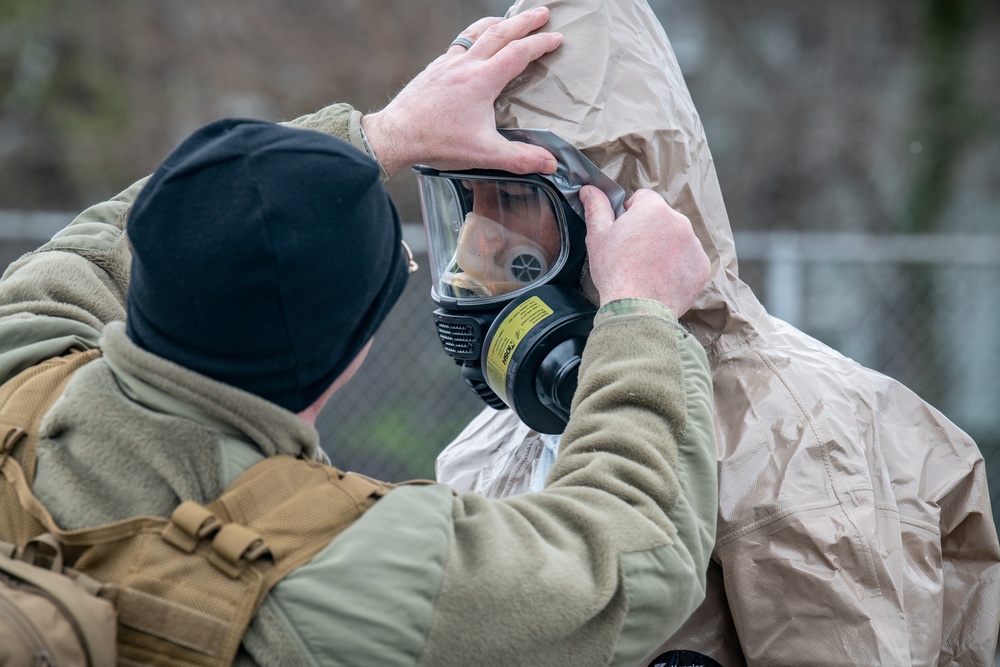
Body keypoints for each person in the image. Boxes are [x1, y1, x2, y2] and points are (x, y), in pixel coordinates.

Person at [0, 8, 719, 666]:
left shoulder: (24, 376)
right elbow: (631, 563)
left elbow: (96, 245)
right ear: (348, 352)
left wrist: (385, 133)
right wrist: (641, 311)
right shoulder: (338, 570)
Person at [434, 2, 1000, 666]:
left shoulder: (800, 436)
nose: (477, 252)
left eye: (513, 203)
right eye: (470, 202)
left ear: (618, 201)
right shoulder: (492, 446)